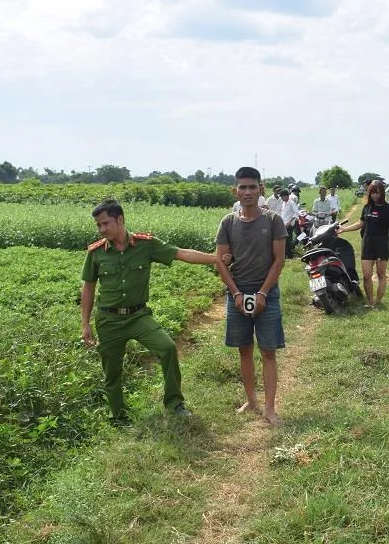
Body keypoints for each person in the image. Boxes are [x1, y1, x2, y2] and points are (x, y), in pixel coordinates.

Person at [81, 199, 218, 424]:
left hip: (138, 316)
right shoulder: (96, 253)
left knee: (167, 348)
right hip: (109, 320)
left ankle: (174, 403)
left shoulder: (146, 245)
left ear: (120, 219)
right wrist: (85, 324)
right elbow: (88, 288)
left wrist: (214, 258)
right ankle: (117, 416)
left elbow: (181, 254)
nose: (102, 229)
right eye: (98, 225)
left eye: (105, 223)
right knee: (112, 370)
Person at [215, 166, 288, 425]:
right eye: (242, 187)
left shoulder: (273, 221)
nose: (247, 192)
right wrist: (235, 293)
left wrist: (262, 293)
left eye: (252, 187)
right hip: (237, 297)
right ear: (235, 191)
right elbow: (221, 261)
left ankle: (269, 407)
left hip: (267, 297)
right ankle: (251, 400)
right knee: (244, 350)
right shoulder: (228, 222)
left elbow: (278, 261)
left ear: (261, 189)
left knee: (268, 352)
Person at [337, 179, 389, 308]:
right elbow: (361, 224)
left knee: (381, 274)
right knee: (366, 276)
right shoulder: (367, 207)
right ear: (369, 193)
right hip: (367, 243)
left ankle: (378, 301)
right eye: (372, 193)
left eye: (378, 193)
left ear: (382, 193)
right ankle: (370, 302)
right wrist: (344, 229)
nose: (375, 195)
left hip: (382, 244)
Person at [279, 188, 299, 258]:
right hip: (284, 224)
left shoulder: (291, 203)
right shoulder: (284, 203)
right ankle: (286, 255)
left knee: (288, 240)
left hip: (289, 224)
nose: (281, 198)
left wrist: (289, 222)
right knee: (284, 240)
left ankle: (290, 255)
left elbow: (296, 213)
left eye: (282, 196)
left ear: (286, 196)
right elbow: (283, 214)